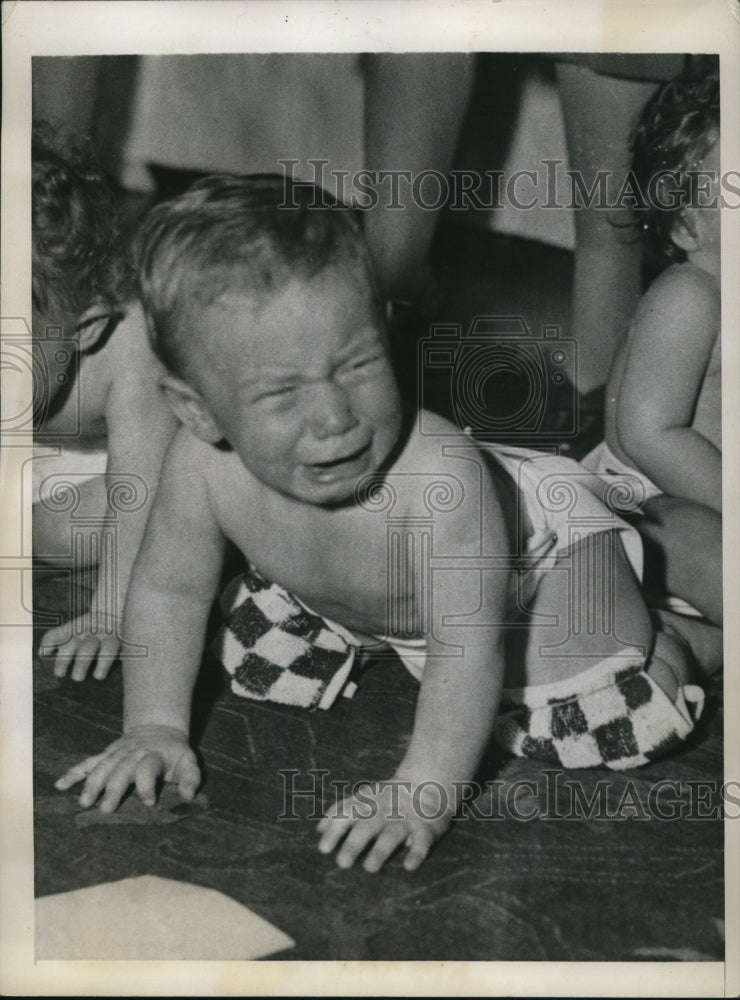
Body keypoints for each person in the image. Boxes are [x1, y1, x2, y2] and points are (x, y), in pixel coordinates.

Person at [56, 175, 713, 873]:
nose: (336, 416)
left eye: (359, 363)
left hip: (538, 586)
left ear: (389, 335)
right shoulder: (194, 463)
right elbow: (168, 594)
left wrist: (422, 790)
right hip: (377, 605)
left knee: (601, 722)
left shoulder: (443, 478)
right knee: (247, 650)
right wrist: (154, 726)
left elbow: (467, 649)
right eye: (281, 392)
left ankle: (685, 637)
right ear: (198, 412)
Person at [33, 126, 179, 679]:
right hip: (70, 457)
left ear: (85, 329)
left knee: (53, 529)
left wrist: (111, 611)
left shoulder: (129, 352)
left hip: (162, 465)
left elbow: (137, 492)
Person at [582, 67, 722, 628]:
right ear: (689, 225)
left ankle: (693, 643)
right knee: (698, 543)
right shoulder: (692, 295)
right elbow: (648, 434)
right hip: (639, 509)